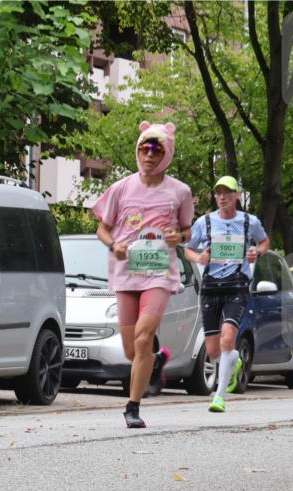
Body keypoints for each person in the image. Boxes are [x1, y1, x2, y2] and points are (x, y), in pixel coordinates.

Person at [93, 121, 194, 428]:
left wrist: (179, 237)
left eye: (156, 149)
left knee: (141, 338)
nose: (149, 154)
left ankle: (132, 407)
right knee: (130, 348)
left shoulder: (180, 191)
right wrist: (115, 246)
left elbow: (187, 231)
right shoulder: (121, 187)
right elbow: (102, 228)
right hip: (126, 271)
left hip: (159, 273)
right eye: (144, 148)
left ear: (167, 154)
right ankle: (157, 357)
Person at [184, 176, 269, 413]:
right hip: (211, 287)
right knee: (213, 351)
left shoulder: (249, 222)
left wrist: (256, 252)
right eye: (218, 193)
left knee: (228, 337)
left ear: (236, 196)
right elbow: (188, 250)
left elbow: (264, 242)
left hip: (237, 286)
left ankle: (219, 396)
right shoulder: (205, 222)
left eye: (227, 192)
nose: (222, 197)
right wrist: (199, 257)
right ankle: (233, 360)